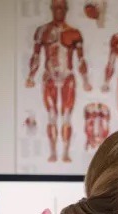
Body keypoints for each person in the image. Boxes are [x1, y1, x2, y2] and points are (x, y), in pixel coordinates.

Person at [25, 0, 92, 163]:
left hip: (68, 77)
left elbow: (81, 59)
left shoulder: (74, 33)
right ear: (52, 9)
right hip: (49, 78)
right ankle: (54, 152)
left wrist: (85, 81)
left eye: (62, 8)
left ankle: (66, 153)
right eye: (56, 8)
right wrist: (31, 76)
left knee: (67, 116)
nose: (59, 11)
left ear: (66, 9)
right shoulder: (42, 31)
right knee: (52, 116)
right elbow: (36, 56)